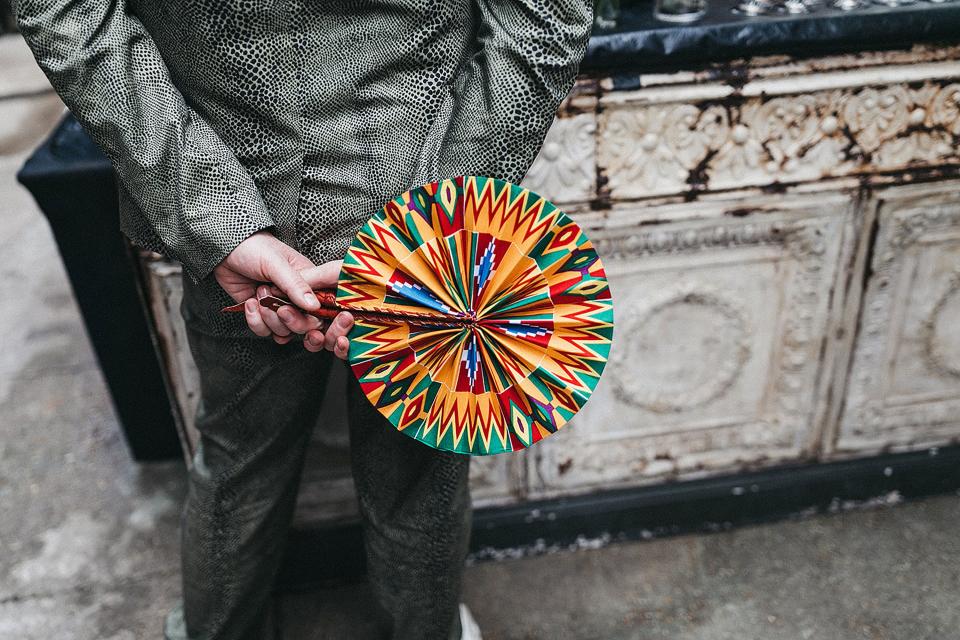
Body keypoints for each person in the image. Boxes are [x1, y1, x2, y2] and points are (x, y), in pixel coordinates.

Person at [16, 1, 594, 638]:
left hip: (238, 193)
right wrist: (433, 230)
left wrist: (215, 212)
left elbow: (66, 11)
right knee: (419, 476)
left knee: (239, 463)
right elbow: (545, 15)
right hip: (418, 193)